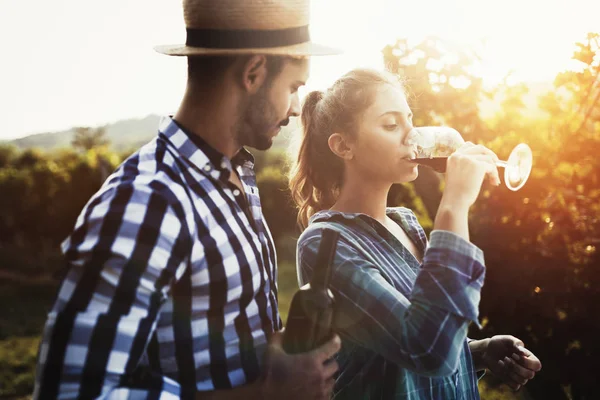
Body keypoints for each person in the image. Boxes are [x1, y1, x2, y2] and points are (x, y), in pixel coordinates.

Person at [33, 0, 342, 398]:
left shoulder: (236, 176)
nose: (297, 108)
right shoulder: (147, 203)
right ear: (253, 72)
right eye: (294, 87)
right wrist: (262, 392)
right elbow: (71, 393)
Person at [288, 68, 542, 399]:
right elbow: (426, 350)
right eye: (392, 125)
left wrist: (479, 350)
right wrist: (453, 207)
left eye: (410, 121)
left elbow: (418, 326)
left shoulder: (405, 223)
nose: (412, 137)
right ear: (343, 145)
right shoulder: (327, 242)